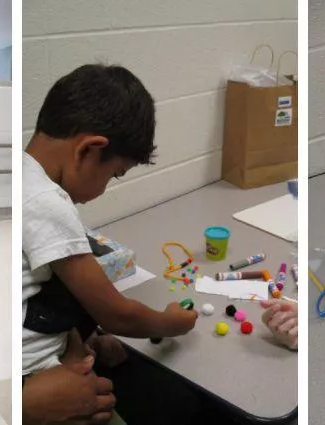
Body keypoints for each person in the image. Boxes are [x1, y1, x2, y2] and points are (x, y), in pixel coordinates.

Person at [22, 64, 199, 423]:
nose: (105, 188)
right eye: (114, 174)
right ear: (88, 150)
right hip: (35, 380)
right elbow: (115, 313)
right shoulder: (47, 202)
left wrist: (84, 342)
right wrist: (171, 322)